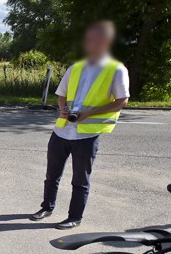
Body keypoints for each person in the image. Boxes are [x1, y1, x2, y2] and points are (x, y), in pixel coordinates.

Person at [30, 20, 129, 229]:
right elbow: (61, 94)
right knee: (52, 175)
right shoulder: (75, 67)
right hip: (62, 130)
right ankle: (47, 207)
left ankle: (75, 217)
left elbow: (122, 100)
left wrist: (90, 112)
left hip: (87, 135)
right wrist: (63, 108)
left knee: (80, 180)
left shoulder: (116, 69)